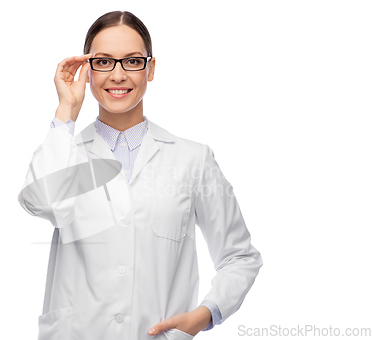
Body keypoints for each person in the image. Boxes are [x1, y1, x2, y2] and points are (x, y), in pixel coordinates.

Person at [18, 10, 263, 340]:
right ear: (87, 71)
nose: (118, 75)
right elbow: (43, 202)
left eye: (132, 61)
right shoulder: (64, 153)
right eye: (103, 62)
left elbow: (239, 256)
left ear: (150, 69)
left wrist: (206, 315)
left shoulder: (192, 159)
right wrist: (66, 112)